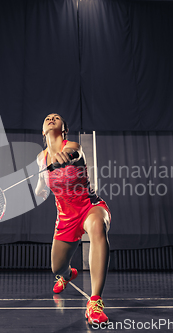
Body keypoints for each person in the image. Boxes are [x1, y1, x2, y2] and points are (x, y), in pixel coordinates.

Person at [35, 113, 111, 325]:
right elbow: (42, 187)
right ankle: (67, 275)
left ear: (64, 129)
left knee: (97, 226)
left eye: (56, 117)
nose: (51, 118)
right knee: (57, 267)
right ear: (43, 131)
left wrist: (64, 156)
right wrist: (38, 190)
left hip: (89, 206)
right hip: (65, 217)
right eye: (47, 118)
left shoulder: (73, 146)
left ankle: (95, 302)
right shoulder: (41, 159)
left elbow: (75, 153)